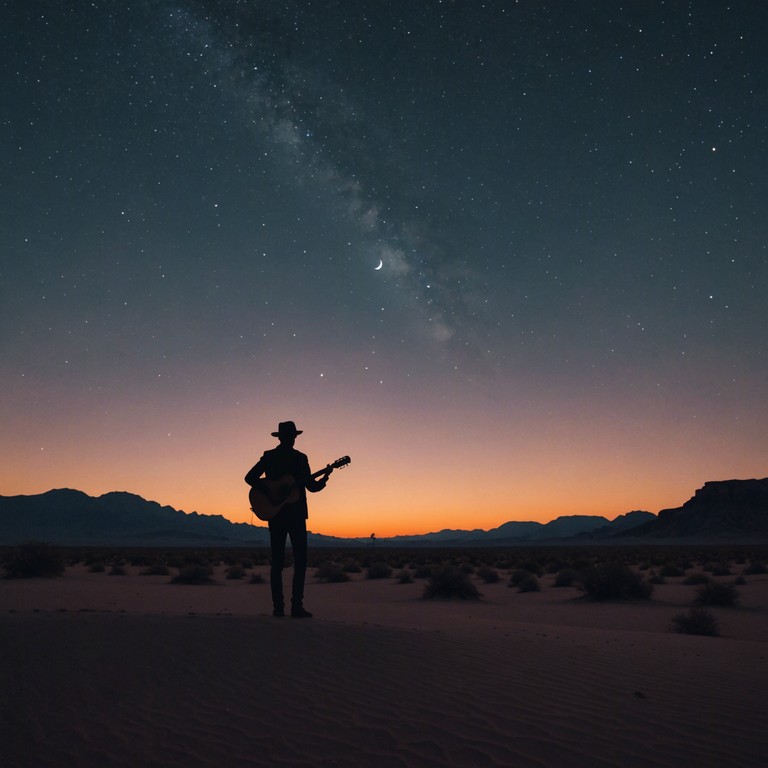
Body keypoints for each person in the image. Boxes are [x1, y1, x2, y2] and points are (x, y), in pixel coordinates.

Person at [245, 421, 330, 618]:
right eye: (292, 436)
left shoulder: (270, 457)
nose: (292, 439)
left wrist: (324, 476)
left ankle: (279, 609)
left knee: (278, 562)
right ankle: (295, 607)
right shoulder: (300, 458)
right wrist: (271, 489)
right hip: (294, 515)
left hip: (276, 515)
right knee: (299, 560)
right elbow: (312, 487)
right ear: (290, 437)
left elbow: (250, 478)